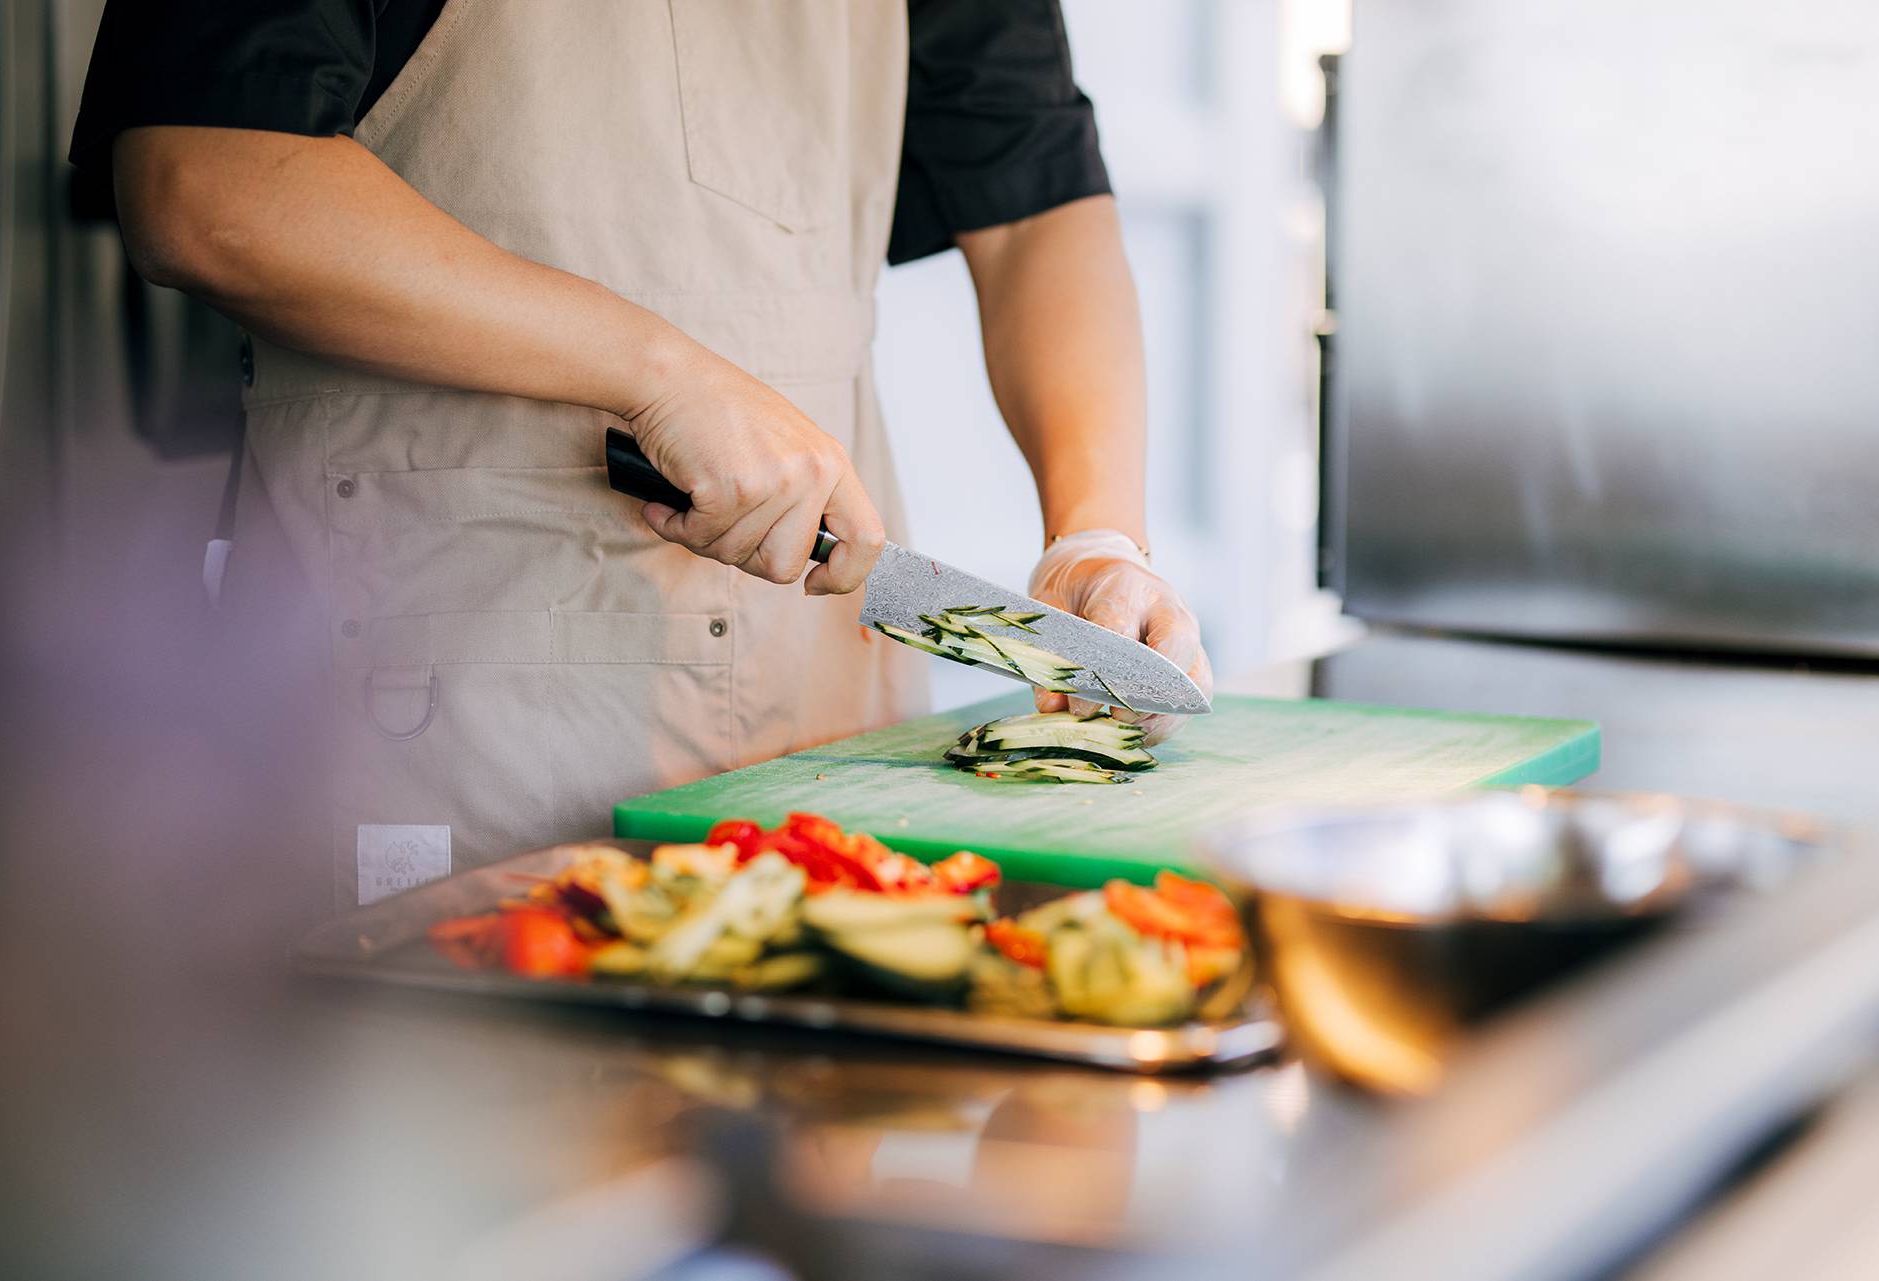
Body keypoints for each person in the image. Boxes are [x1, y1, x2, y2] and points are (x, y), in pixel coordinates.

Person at [71, 0, 1214, 908]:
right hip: (458, 691)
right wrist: (663, 373)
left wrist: (1097, 530)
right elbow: (202, 184)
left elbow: (1036, 199)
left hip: (820, 684)